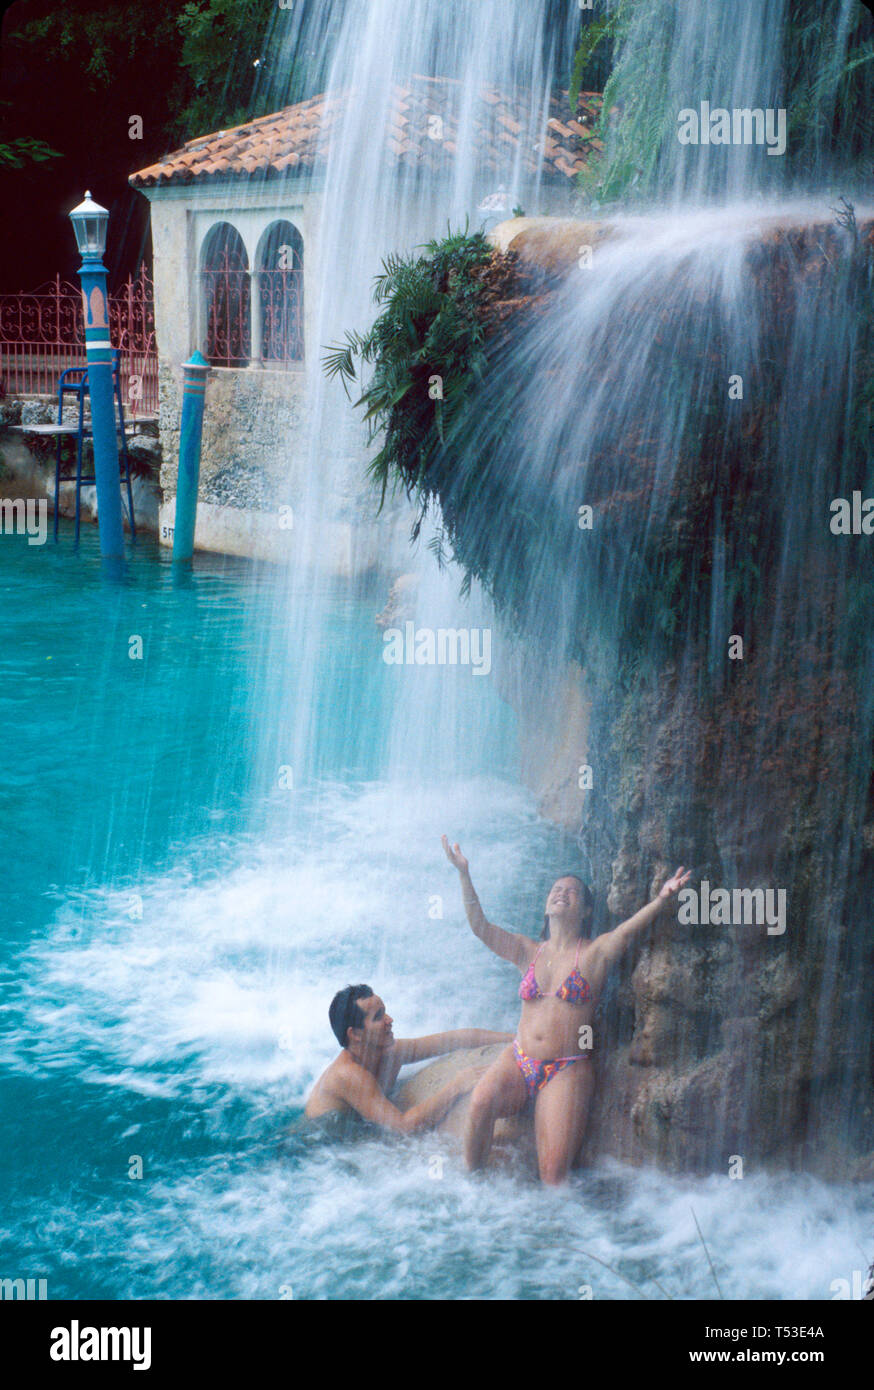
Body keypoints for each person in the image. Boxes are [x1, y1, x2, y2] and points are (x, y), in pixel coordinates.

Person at [441, 834, 691, 1184]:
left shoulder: (594, 953)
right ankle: (471, 1188)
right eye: (556, 889)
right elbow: (480, 928)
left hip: (566, 1068)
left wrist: (662, 900)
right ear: (546, 905)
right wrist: (463, 873)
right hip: (519, 1058)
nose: (561, 892)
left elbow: (626, 931)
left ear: (586, 909)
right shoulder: (527, 951)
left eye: (572, 891)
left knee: (553, 1176)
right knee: (480, 1103)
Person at [304, 983, 512, 1133]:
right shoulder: (348, 1075)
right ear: (355, 1034)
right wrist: (457, 1086)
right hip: (318, 1141)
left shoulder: (389, 1052)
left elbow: (455, 1039)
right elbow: (403, 1127)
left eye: (385, 1012)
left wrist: (516, 1039)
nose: (389, 1020)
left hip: (354, 1127)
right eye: (378, 1017)